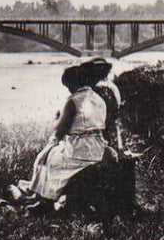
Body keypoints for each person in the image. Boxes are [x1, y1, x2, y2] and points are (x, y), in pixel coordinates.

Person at [14, 61, 109, 205]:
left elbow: (60, 130)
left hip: (79, 151)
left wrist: (56, 119)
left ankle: (43, 196)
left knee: (47, 157)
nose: (69, 90)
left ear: (72, 84)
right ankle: (40, 193)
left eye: (69, 87)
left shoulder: (74, 101)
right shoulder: (99, 99)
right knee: (53, 153)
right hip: (97, 149)